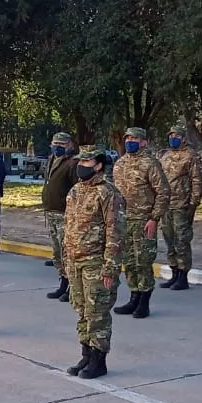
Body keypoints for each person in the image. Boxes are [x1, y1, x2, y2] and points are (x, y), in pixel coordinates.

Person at [63, 146, 126, 379]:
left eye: (87, 162)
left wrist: (110, 267)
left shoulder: (109, 193)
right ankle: (86, 354)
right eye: (80, 161)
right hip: (75, 261)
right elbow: (69, 227)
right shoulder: (76, 191)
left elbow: (115, 232)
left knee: (97, 312)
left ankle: (99, 360)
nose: (81, 166)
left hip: (96, 263)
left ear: (99, 165)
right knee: (81, 310)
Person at [112, 126, 169, 319]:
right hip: (123, 221)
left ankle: (144, 303)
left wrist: (154, 218)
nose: (130, 141)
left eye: (134, 138)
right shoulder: (119, 164)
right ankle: (133, 297)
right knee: (128, 262)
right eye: (127, 138)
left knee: (143, 261)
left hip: (144, 221)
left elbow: (163, 192)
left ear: (143, 142)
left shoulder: (150, 164)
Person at [158, 123, 202, 291]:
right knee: (169, 239)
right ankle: (174, 272)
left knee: (181, 240)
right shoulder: (165, 155)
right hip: (166, 205)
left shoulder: (191, 156)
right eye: (171, 136)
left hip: (181, 204)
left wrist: (193, 203)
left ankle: (183, 275)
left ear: (183, 138)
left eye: (176, 136)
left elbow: (196, 181)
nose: (173, 139)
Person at [42, 131, 79, 300]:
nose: (57, 147)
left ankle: (72, 287)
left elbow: (76, 190)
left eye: (62, 144)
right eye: (55, 143)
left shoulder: (72, 163)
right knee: (57, 253)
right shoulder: (51, 160)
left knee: (67, 252)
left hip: (64, 214)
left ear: (69, 145)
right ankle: (63, 283)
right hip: (51, 213)